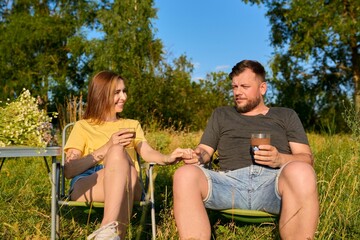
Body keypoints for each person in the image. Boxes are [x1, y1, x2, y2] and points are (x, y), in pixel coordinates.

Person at [173, 60, 319, 240]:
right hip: (228, 184)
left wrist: (280, 159)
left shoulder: (286, 115)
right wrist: (196, 156)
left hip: (273, 185)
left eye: (244, 86)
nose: (237, 92)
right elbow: (204, 151)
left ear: (262, 88)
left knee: (302, 170)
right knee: (184, 174)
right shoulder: (221, 114)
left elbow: (306, 158)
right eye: (234, 87)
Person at [64, 71, 185, 240]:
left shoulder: (131, 125)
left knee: (120, 157)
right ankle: (111, 234)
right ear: (101, 94)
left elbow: (147, 152)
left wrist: (167, 158)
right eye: (117, 92)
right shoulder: (82, 127)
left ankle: (106, 228)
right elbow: (69, 170)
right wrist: (108, 147)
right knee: (117, 152)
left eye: (124, 91)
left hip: (130, 181)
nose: (124, 97)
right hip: (89, 183)